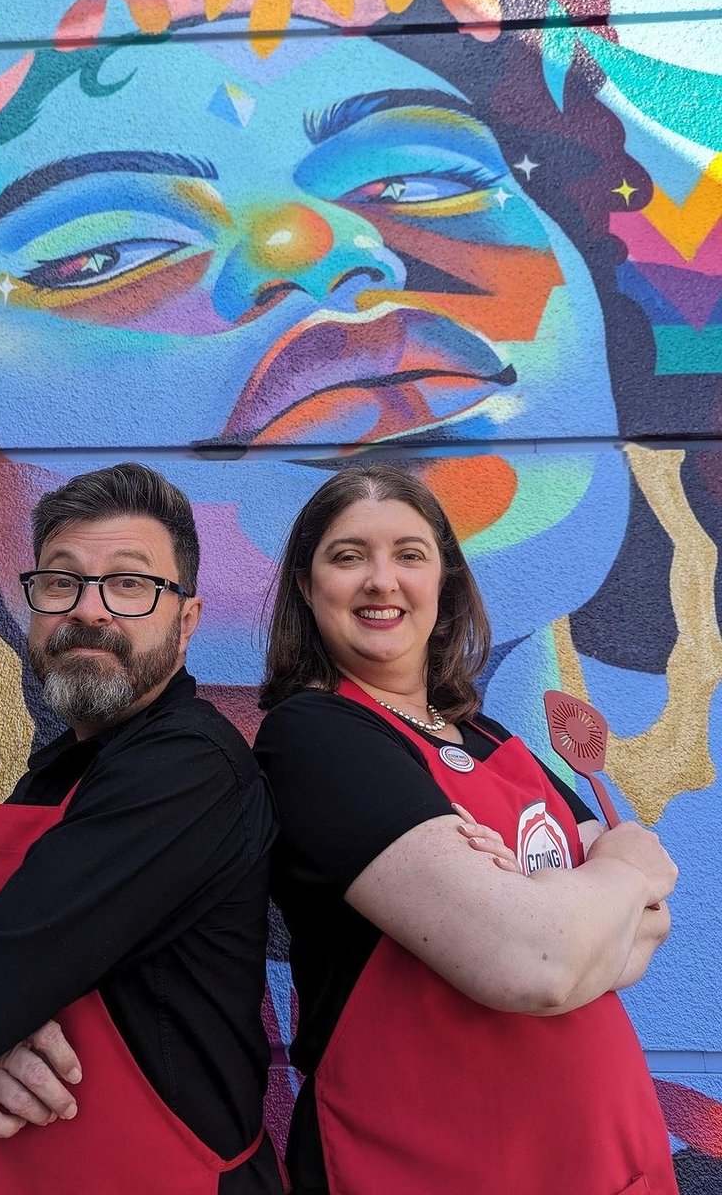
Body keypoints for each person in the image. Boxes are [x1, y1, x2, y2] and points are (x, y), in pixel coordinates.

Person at [0, 462, 284, 1194]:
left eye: (131, 584)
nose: (90, 610)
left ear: (186, 621)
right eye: (61, 582)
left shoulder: (188, 772)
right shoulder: (58, 773)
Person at [254, 462, 679, 1195]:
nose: (382, 581)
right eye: (348, 556)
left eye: (410, 555)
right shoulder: (315, 738)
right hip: (435, 1166)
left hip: (608, 1162)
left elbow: (646, 931)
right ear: (306, 586)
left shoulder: (490, 738)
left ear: (444, 582)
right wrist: (623, 867)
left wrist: (551, 903)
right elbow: (535, 964)